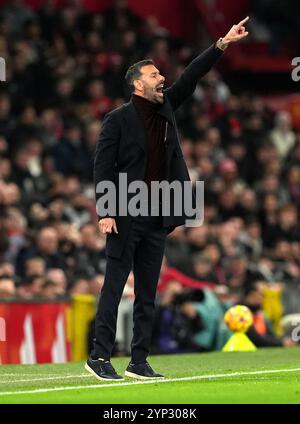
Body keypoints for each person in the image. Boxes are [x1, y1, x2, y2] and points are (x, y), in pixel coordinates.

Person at [86, 17, 250, 381]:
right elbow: (102, 167)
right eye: (155, 74)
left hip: (159, 211)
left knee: (148, 292)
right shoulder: (116, 120)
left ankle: (138, 361)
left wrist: (221, 44)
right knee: (115, 286)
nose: (163, 78)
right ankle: (99, 356)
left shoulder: (166, 107)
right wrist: (105, 211)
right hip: (125, 209)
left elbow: (192, 75)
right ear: (137, 84)